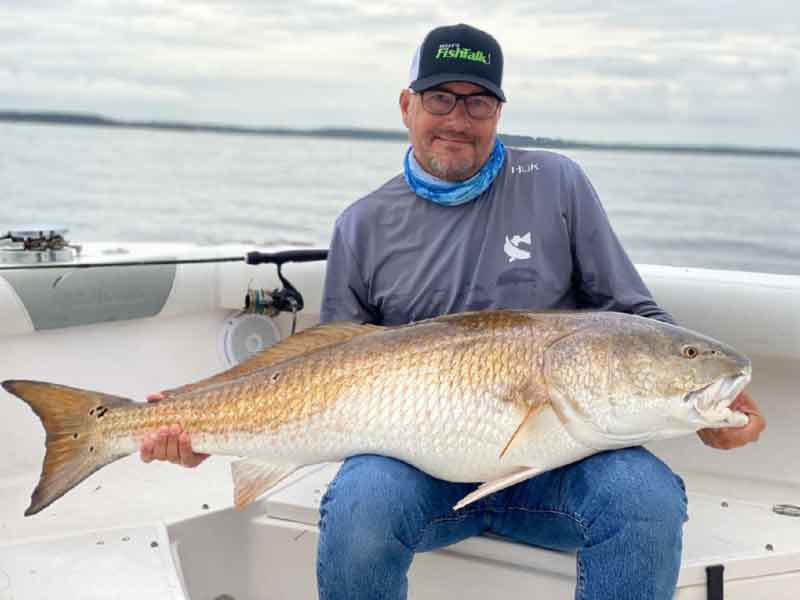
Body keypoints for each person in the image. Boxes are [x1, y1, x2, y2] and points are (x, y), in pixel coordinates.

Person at [141, 23, 766, 600]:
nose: (458, 120)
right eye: (440, 98)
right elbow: (325, 364)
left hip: (564, 461)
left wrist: (708, 398)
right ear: (407, 105)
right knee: (360, 505)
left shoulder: (557, 184)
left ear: (499, 112)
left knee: (645, 500)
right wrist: (198, 427)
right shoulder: (363, 225)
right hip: (418, 470)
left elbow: (631, 314)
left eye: (478, 103)